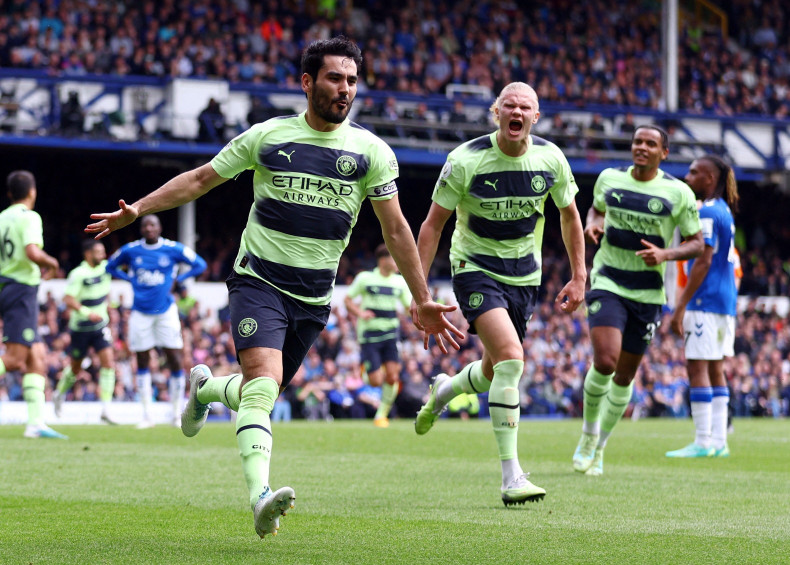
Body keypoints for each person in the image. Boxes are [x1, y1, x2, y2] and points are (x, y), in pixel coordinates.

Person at [86, 36, 463, 539]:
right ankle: (261, 498)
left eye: (352, 80)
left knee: (254, 393)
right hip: (258, 280)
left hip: (314, 298)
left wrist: (420, 298)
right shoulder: (267, 136)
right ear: (307, 82)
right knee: (263, 386)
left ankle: (206, 389)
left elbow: (395, 228)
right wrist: (139, 210)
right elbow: (200, 179)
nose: (345, 89)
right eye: (334, 78)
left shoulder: (371, 151)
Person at [413, 82, 587, 506]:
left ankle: (445, 390)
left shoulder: (551, 158)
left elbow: (569, 216)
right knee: (511, 359)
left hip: (525, 276)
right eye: (508, 104)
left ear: (535, 117)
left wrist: (580, 275)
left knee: (494, 373)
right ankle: (512, 476)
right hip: (474, 268)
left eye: (525, 106)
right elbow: (433, 225)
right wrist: (419, 294)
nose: (516, 111)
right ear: (496, 113)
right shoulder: (465, 160)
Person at [572, 125, 704, 476]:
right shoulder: (608, 179)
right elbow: (596, 211)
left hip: (647, 292)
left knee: (625, 376)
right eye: (637, 142)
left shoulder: (678, 193)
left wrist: (665, 254)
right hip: (608, 280)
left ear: (664, 153)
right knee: (605, 360)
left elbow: (696, 242)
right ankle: (587, 435)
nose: (641, 147)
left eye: (650, 143)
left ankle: (600, 448)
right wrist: (592, 224)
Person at [666, 155, 739, 458]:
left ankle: (703, 441)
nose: (687, 176)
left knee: (697, 367)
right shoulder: (724, 211)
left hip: (704, 300)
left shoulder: (707, 212)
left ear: (709, 178)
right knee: (716, 368)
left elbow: (703, 260)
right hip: (726, 302)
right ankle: (719, 442)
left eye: (694, 172)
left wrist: (680, 306)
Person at [105, 214, 207, 428]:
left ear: (159, 228)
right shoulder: (131, 250)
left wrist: (177, 279)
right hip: (140, 313)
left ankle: (176, 414)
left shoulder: (172, 249)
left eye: (153, 224)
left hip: (166, 312)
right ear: (141, 229)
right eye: (145, 225)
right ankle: (146, 415)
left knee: (175, 359)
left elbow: (200, 264)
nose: (149, 228)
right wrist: (128, 278)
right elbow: (110, 266)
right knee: (142, 360)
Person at [0, 170, 65, 439]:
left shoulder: (2, 217)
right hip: (20, 290)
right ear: (32, 192)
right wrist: (52, 263)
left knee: (37, 357)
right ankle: (35, 424)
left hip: (9, 286)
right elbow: (32, 251)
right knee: (15, 359)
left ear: (9, 194)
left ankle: (35, 423)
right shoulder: (29, 217)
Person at [344, 243, 411, 427]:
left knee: (392, 376)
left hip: (391, 334)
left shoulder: (399, 282)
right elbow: (348, 300)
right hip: (369, 335)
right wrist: (360, 313)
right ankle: (367, 372)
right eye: (394, 257)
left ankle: (381, 415)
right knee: (375, 381)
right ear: (383, 260)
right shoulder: (365, 278)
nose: (398, 262)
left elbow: (408, 308)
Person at [53, 239, 117, 424]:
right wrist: (87, 313)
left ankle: (106, 408)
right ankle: (59, 394)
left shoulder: (106, 267)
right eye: (98, 252)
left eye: (104, 251)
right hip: (80, 328)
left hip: (100, 326)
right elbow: (68, 299)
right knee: (75, 369)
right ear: (88, 254)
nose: (103, 255)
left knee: (108, 364)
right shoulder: (78, 274)